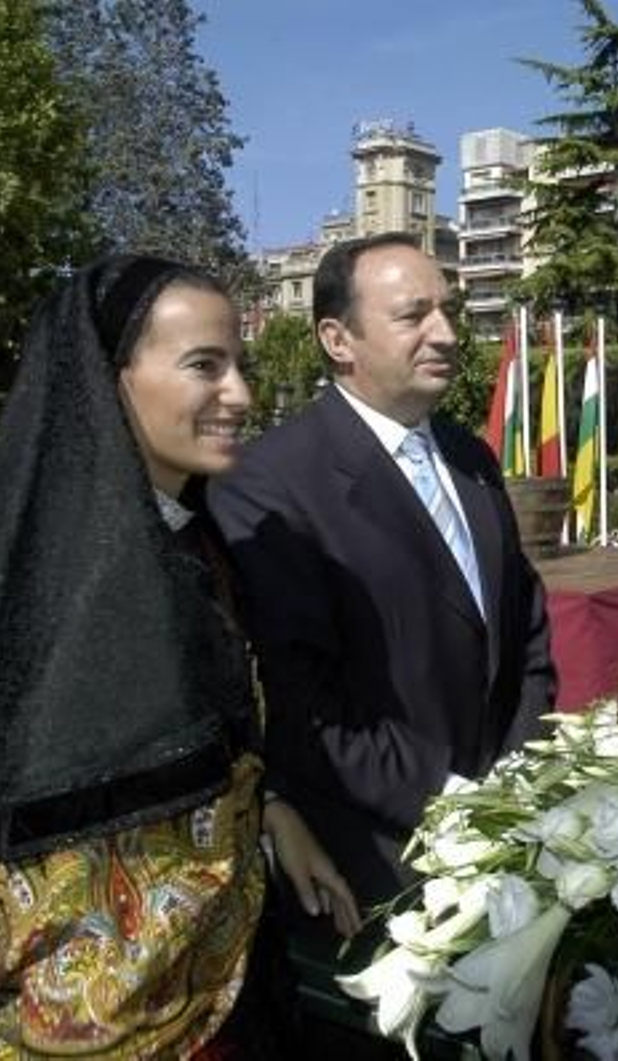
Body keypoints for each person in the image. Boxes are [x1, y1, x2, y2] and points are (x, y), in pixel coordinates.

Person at [0, 255, 330, 1055]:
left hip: (214, 1002)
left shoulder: (196, 546)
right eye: (205, 365)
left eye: (240, 364)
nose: (240, 394)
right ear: (111, 379)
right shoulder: (66, 587)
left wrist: (269, 805)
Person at [210, 233, 555, 935]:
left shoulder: (470, 456)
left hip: (511, 833)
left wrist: (515, 782)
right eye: (414, 315)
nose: (447, 333)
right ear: (339, 338)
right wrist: (456, 803)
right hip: (375, 867)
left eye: (449, 311)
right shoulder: (271, 485)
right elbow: (307, 704)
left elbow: (527, 633)